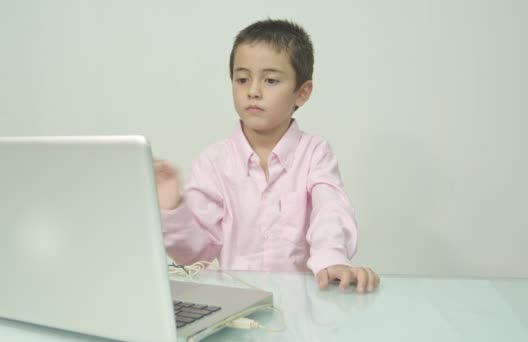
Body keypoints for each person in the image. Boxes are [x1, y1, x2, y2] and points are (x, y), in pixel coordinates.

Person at [155, 19, 380, 293]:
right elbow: (195, 252)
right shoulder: (214, 161)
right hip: (238, 307)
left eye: (271, 80)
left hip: (305, 311)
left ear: (302, 92)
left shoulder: (314, 152)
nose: (253, 91)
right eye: (242, 79)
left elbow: (330, 209)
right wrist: (172, 209)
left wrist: (332, 259)